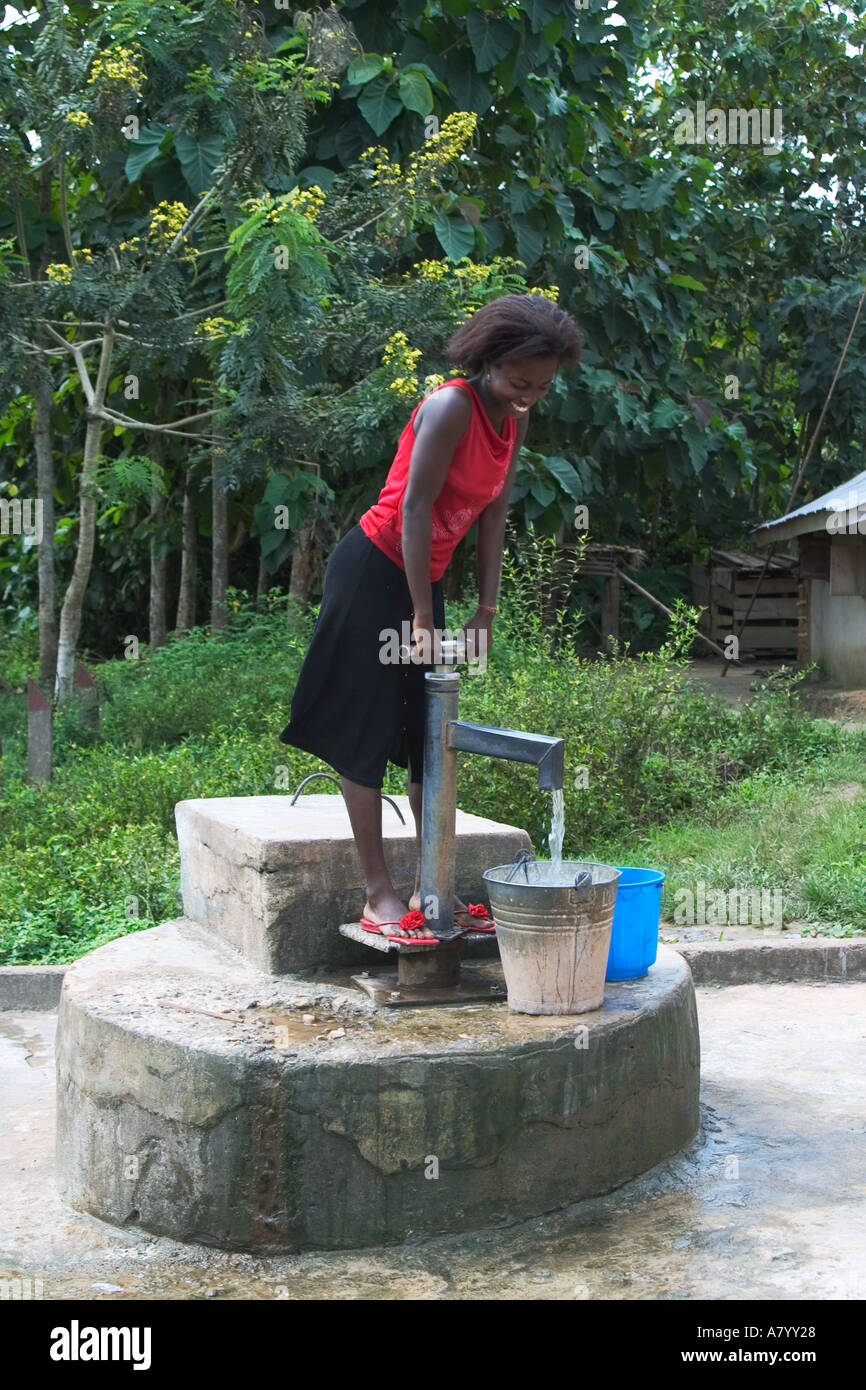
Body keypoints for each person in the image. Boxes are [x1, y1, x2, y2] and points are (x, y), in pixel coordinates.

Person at [279, 292, 582, 941]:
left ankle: (430, 887)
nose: (529, 395)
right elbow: (415, 509)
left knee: (427, 735)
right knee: (362, 732)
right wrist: (422, 614)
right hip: (375, 570)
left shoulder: (512, 420)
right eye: (519, 380)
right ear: (489, 360)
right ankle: (377, 893)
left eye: (543, 386)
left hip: (426, 579)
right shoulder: (450, 407)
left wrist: (489, 607)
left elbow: (494, 512)